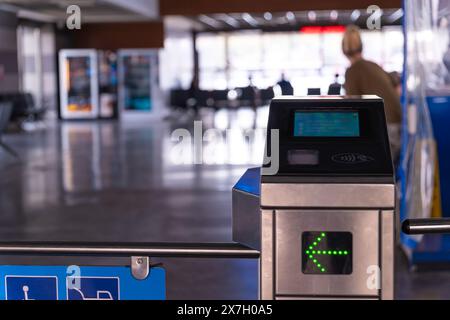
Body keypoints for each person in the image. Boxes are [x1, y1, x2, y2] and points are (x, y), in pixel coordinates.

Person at [342, 25, 402, 162]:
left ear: (343, 50)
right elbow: (395, 81)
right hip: (398, 124)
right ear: (361, 46)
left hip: (387, 129)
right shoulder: (372, 65)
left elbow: (352, 110)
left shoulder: (352, 72)